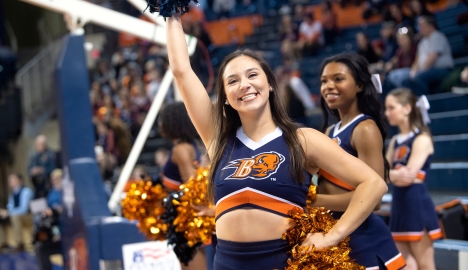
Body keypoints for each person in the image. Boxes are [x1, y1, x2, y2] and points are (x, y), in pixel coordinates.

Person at [166, 13, 387, 269]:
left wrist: (333, 236)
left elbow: (373, 184)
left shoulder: (303, 140)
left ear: (270, 84)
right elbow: (181, 71)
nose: (244, 85)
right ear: (225, 96)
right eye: (233, 81)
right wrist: (172, 12)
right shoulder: (218, 139)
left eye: (252, 75)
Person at [312, 53, 405, 269]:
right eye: (324, 81)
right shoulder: (330, 130)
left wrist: (316, 201)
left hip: (364, 239)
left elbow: (375, 200)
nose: (328, 86)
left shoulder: (365, 128)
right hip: (340, 235)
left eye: (338, 79)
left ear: (360, 85)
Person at [385, 88, 442, 270]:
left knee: (426, 266)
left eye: (391, 108)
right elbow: (381, 174)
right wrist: (393, 175)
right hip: (399, 205)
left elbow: (407, 177)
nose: (387, 113)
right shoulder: (395, 140)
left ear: (407, 109)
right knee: (406, 266)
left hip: (417, 205)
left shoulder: (422, 138)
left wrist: (389, 175)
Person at [158, 101, 207, 270]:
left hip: (186, 221)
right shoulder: (188, 146)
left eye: (162, 119)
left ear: (172, 122)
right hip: (182, 220)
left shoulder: (181, 150)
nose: (159, 124)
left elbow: (192, 187)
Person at [401, 16, 454, 95]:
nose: (421, 29)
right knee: (406, 81)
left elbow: (432, 57)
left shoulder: (437, 36)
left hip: (442, 70)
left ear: (431, 26)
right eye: (420, 27)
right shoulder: (422, 42)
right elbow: (417, 60)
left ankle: (426, 102)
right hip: (427, 70)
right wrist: (413, 72)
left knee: (419, 78)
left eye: (423, 26)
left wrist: (419, 72)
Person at [0, 173, 34, 252]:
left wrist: (9, 213)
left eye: (12, 180)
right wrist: (5, 212)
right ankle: (3, 243)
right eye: (9, 180)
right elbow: (10, 206)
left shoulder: (26, 191)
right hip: (19, 215)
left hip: (29, 217)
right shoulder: (12, 193)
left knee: (15, 217)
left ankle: (20, 243)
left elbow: (24, 209)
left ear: (20, 181)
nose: (10, 181)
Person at [35, 169, 63, 270]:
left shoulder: (68, 193)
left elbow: (63, 211)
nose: (54, 181)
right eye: (52, 179)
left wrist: (54, 211)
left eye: (56, 179)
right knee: (39, 247)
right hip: (53, 228)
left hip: (65, 231)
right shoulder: (52, 192)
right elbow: (47, 207)